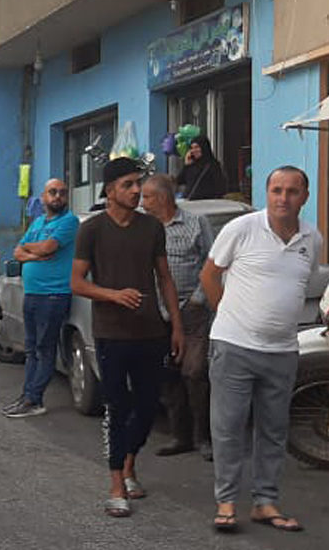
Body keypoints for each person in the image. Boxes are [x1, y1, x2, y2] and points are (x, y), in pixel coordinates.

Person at [200, 166, 322, 533]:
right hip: (234, 345)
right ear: (267, 193)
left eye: (292, 191)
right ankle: (226, 503)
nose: (283, 198)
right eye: (277, 190)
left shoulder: (311, 237)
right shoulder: (242, 228)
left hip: (283, 350)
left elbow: (301, 283)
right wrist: (228, 314)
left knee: (273, 429)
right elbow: (209, 275)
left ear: (305, 196)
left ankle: (265, 503)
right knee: (228, 428)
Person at [71, 158, 184, 518]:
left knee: (149, 406)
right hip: (111, 334)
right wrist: (113, 295)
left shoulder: (151, 228)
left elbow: (164, 278)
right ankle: (117, 482)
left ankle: (131, 461)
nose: (137, 191)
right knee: (118, 408)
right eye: (129, 185)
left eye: (139, 184)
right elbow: (77, 282)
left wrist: (176, 326)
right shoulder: (92, 230)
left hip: (151, 331)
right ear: (109, 191)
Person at [141, 174, 215, 462]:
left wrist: (199, 299)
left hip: (193, 311)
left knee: (195, 372)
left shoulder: (197, 223)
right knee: (168, 375)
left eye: (146, 197)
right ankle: (179, 435)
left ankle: (203, 437)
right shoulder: (144, 227)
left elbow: (214, 262)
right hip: (158, 313)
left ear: (161, 198)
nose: (142, 202)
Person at [4, 179, 79, 418]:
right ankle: (27, 395)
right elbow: (17, 251)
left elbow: (49, 247)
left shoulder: (69, 221)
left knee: (44, 349)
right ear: (43, 197)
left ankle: (35, 400)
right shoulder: (37, 222)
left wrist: (31, 251)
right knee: (31, 348)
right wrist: (34, 257)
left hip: (54, 295)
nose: (58, 196)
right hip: (33, 293)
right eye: (52, 192)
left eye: (62, 193)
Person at [176, 136, 227, 200]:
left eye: (196, 147)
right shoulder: (192, 165)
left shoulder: (213, 165)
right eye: (192, 148)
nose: (194, 150)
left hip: (205, 204)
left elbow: (220, 188)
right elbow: (179, 181)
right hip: (190, 205)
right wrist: (186, 165)